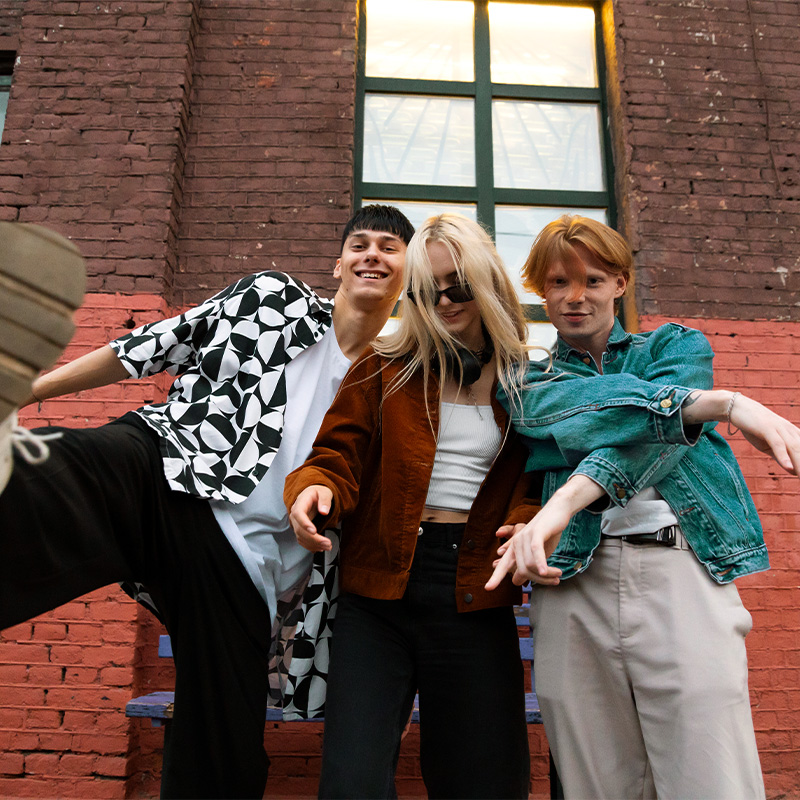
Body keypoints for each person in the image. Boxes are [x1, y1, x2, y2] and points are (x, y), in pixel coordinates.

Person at [0, 204, 414, 799]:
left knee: (225, 749)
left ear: (405, 273)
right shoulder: (271, 300)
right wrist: (29, 390)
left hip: (248, 564)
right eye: (361, 244)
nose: (373, 254)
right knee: (62, 472)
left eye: (390, 248)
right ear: (338, 263)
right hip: (170, 463)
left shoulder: (391, 381)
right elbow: (148, 347)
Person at [487, 215, 800, 800]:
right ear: (541, 291)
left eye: (592, 280)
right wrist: (718, 404)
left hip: (681, 568)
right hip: (574, 580)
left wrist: (565, 500)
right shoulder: (524, 381)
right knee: (597, 780)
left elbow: (657, 443)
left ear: (620, 283)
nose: (575, 297)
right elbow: (621, 417)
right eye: (558, 282)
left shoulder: (675, 346)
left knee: (712, 775)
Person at [285, 213, 536, 799]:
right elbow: (335, 453)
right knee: (352, 782)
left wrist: (524, 527)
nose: (444, 302)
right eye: (428, 291)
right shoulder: (383, 366)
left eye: (458, 286)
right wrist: (315, 489)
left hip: (474, 591)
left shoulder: (527, 381)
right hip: (379, 592)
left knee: (484, 783)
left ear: (487, 282)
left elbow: (538, 482)